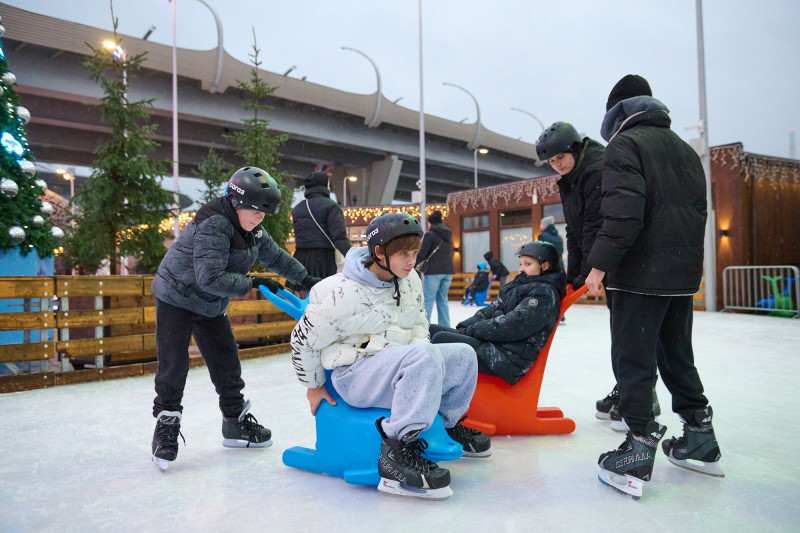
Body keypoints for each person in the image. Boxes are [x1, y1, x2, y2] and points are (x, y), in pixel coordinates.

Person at [585, 74, 724, 499]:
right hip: (680, 277)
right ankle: (699, 434)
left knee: (633, 360)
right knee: (676, 356)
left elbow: (624, 215)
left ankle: (639, 446)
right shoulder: (683, 150)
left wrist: (598, 266)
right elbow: (696, 212)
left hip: (639, 276)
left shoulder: (625, 146)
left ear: (617, 114)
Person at [290, 212, 491, 500]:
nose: (412, 261)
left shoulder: (411, 281)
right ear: (379, 253)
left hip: (398, 364)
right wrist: (313, 385)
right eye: (403, 254)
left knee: (463, 354)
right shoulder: (338, 291)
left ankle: (446, 424)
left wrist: (424, 358)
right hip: (356, 374)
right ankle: (396, 453)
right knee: (424, 355)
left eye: (415, 252)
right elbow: (302, 340)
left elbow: (420, 323)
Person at [149, 166, 322, 471]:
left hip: (210, 303)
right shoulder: (214, 224)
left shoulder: (251, 228)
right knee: (173, 365)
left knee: (226, 361)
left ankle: (235, 424)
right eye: (254, 211)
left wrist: (305, 279)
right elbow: (209, 277)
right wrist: (253, 283)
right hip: (176, 296)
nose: (259, 218)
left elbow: (275, 256)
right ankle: (166, 426)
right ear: (236, 202)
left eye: (263, 213)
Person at [536, 121, 657, 421]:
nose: (557, 165)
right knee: (622, 332)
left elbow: (596, 224)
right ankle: (628, 389)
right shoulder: (569, 179)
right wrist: (572, 276)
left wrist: (591, 270)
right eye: (551, 162)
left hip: (625, 261)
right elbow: (574, 233)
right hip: (607, 261)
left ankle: (641, 398)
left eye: (560, 157)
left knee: (630, 334)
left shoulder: (596, 170)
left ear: (574, 148)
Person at [430, 241, 566, 386]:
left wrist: (471, 331)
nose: (521, 269)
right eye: (520, 264)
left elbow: (513, 325)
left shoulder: (544, 293)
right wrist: (464, 327)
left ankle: (430, 395)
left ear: (545, 266)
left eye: (527, 264)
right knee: (430, 330)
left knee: (441, 339)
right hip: (494, 344)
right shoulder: (520, 284)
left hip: (508, 358)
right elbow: (490, 309)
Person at [288, 171, 351, 297]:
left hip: (300, 257)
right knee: (324, 300)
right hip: (322, 259)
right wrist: (354, 256)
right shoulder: (331, 206)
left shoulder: (298, 208)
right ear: (324, 185)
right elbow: (338, 238)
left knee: (304, 304)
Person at [415, 210, 455, 327]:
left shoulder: (430, 235)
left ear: (430, 223)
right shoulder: (448, 234)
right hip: (448, 271)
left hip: (434, 271)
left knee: (428, 299)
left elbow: (423, 253)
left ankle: (424, 326)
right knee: (443, 300)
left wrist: (412, 264)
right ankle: (445, 327)